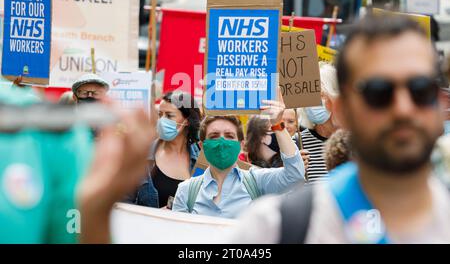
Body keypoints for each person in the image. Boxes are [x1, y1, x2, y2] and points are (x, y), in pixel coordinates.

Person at [228, 15, 450, 243]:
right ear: (344, 109)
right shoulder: (273, 229)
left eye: (420, 89)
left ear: (440, 103)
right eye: (378, 92)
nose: (403, 108)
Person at [0, 80, 156, 244]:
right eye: (85, 93)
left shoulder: (51, 134)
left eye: (95, 94)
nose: (89, 98)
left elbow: (69, 232)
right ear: (75, 98)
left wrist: (95, 213)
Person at [172, 93, 306, 219]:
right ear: (202, 146)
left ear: (241, 145)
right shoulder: (186, 191)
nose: (222, 142)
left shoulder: (256, 181)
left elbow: (295, 174)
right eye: (214, 136)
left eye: (230, 136)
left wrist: (277, 124)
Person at [126, 91, 202, 209]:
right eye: (160, 114)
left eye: (169, 115)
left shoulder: (200, 158)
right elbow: (124, 204)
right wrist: (155, 217)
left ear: (186, 120)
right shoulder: (141, 155)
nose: (161, 120)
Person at [295, 63, 340, 183]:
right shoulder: (298, 142)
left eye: (320, 95)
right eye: (310, 96)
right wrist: (292, 169)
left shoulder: (357, 142)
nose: (313, 102)